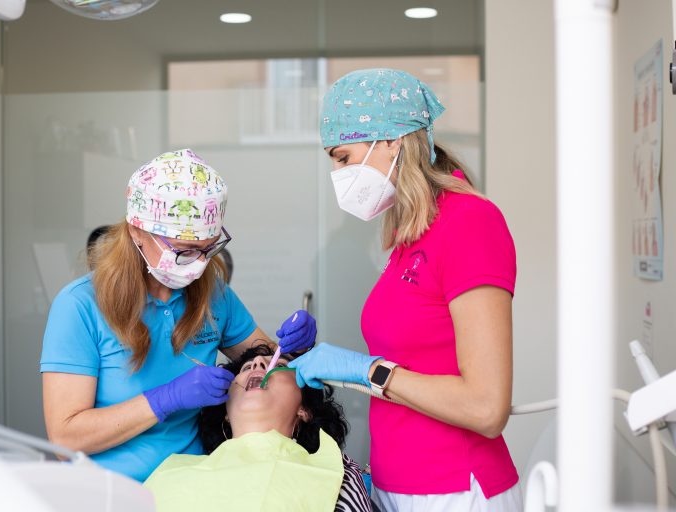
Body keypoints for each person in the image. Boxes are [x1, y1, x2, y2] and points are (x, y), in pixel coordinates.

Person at [289, 69, 522, 510]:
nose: (338, 173)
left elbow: (487, 408)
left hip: (455, 490)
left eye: (343, 157)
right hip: (396, 484)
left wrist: (367, 371)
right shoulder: (412, 233)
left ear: (392, 141)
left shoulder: (469, 223)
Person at [40, 149, 317, 482]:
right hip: (111, 492)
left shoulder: (213, 294)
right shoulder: (79, 306)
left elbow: (270, 363)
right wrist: (165, 399)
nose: (199, 264)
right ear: (137, 231)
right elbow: (65, 439)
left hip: (194, 484)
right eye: (185, 251)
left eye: (208, 248)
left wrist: (295, 348)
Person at [144, 345, 372, 512]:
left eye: (279, 366)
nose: (258, 363)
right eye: (246, 367)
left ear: (304, 410)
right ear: (225, 412)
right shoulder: (172, 472)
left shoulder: (337, 473)